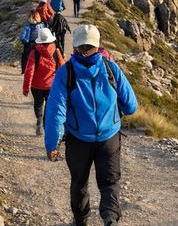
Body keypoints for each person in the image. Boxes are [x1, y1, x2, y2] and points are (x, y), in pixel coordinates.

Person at [44, 25, 138, 226]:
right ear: (98, 45)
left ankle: (81, 222)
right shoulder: (110, 67)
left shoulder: (65, 73)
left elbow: (55, 112)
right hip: (109, 138)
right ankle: (110, 219)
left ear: (75, 47)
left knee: (79, 183)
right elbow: (131, 105)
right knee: (110, 183)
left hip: (78, 140)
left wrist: (52, 144)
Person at [23, 28, 65, 136]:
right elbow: (62, 69)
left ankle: (39, 121)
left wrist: (26, 87)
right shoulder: (56, 51)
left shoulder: (34, 53)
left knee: (38, 104)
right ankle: (46, 127)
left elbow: (29, 71)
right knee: (49, 106)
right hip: (52, 85)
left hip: (36, 86)